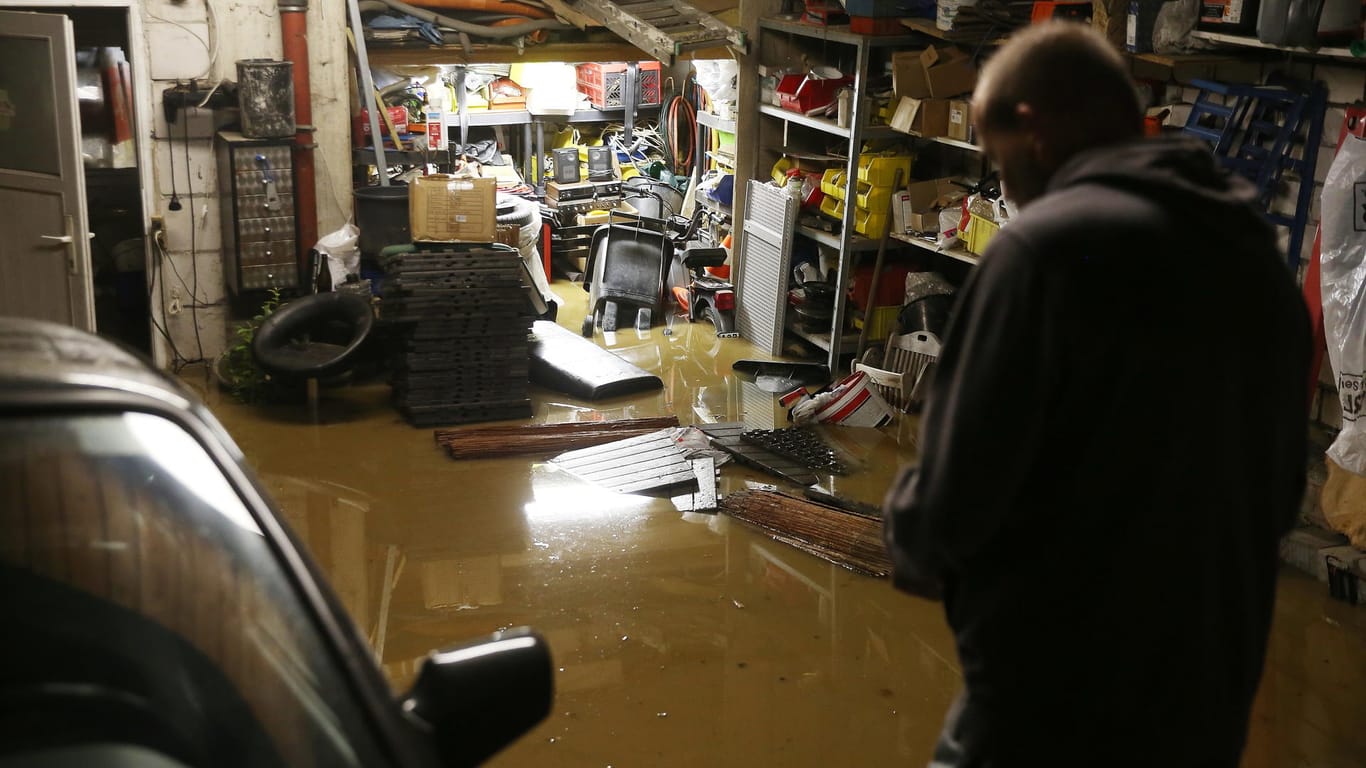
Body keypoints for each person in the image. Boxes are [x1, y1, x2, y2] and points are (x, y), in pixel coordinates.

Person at [882, 22, 1311, 768]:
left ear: (1033, 130)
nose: (1002, 182)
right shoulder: (1254, 263)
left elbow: (946, 514)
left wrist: (906, 532)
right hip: (1203, 708)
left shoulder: (1041, 255)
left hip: (1048, 711)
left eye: (995, 155)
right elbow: (1277, 495)